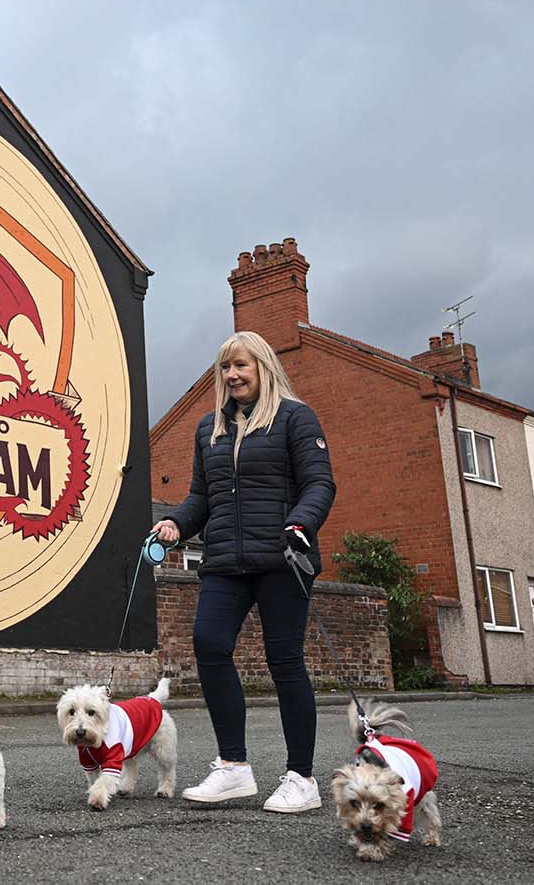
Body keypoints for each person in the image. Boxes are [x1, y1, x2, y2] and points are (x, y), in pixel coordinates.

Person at [155, 330, 335, 813]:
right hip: (225, 562)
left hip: (282, 557)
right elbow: (201, 498)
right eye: (225, 368)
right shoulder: (208, 428)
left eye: (241, 366)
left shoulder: (296, 419)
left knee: (284, 661)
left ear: (263, 368)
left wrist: (301, 523)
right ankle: (233, 768)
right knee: (210, 644)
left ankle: (302, 778)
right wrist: (174, 521)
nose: (232, 375)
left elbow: (320, 483)